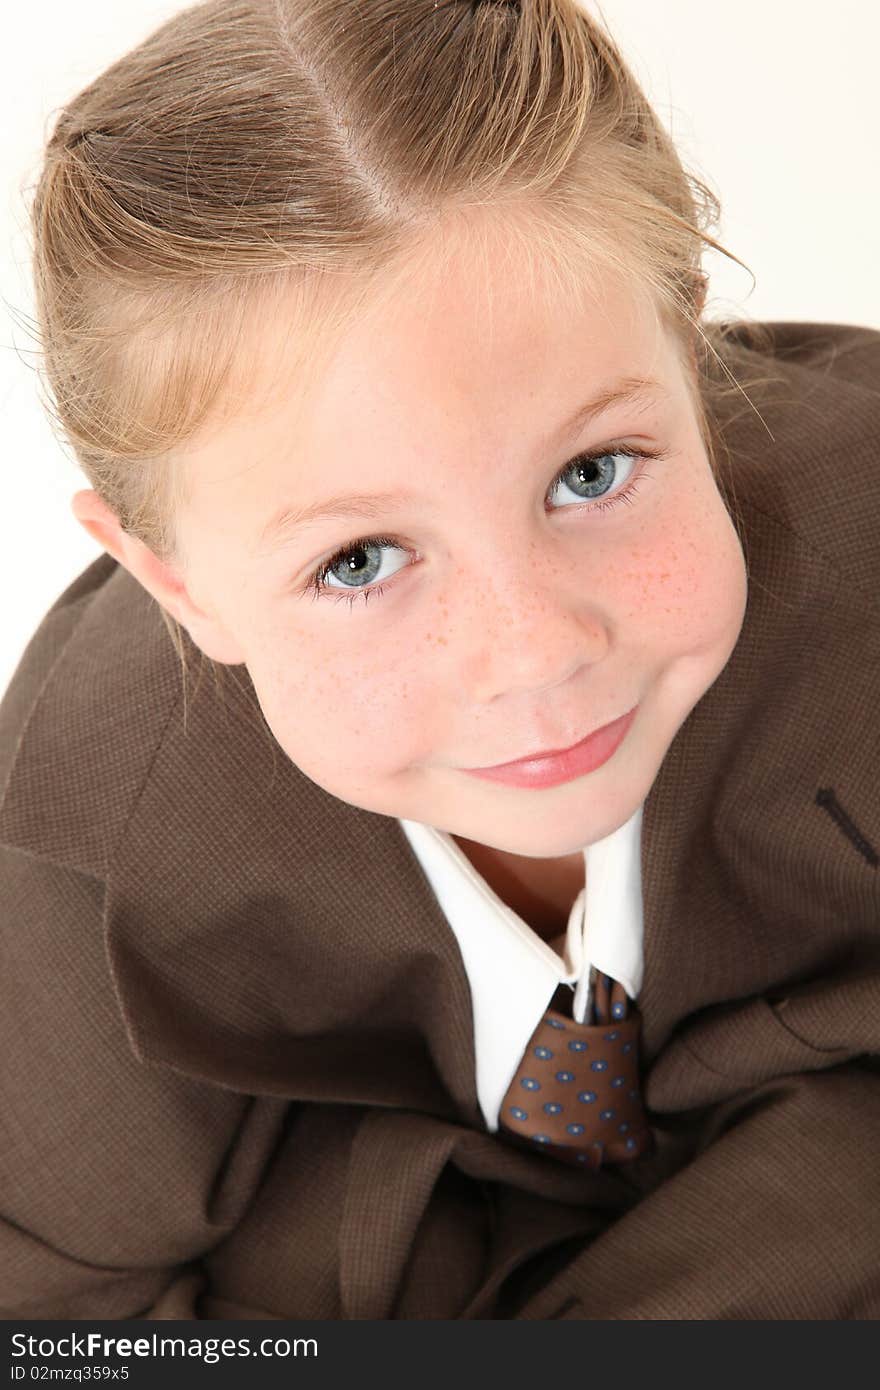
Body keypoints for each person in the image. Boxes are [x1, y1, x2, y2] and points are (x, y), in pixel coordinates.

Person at [1, 0, 878, 1320]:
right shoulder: (83, 843)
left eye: (591, 474)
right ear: (175, 586)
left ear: (688, 351)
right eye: (358, 561)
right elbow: (57, 1335)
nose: (532, 650)